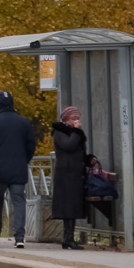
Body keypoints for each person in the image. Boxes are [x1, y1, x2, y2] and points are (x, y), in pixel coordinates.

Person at [0, 90, 36, 248]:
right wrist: (24, 160)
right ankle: (19, 237)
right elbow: (31, 146)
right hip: (18, 170)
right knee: (19, 201)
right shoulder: (24, 123)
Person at [50, 106, 93, 250]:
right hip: (66, 173)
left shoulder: (75, 132)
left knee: (73, 206)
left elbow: (78, 150)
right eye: (73, 118)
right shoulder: (60, 132)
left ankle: (68, 237)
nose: (77, 121)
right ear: (66, 119)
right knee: (68, 206)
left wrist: (88, 159)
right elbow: (68, 146)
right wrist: (77, 131)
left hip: (75, 173)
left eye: (78, 118)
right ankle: (67, 238)